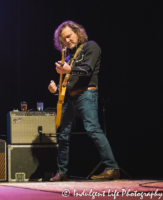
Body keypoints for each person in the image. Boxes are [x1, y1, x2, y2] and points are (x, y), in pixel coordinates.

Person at [48, 21, 120, 181]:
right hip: (70, 98)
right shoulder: (68, 57)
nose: (67, 41)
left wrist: (69, 69)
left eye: (69, 36)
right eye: (63, 39)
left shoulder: (91, 46)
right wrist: (56, 90)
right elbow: (67, 82)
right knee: (63, 135)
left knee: (93, 129)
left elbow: (87, 70)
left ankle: (112, 168)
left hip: (86, 95)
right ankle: (63, 172)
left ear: (77, 32)